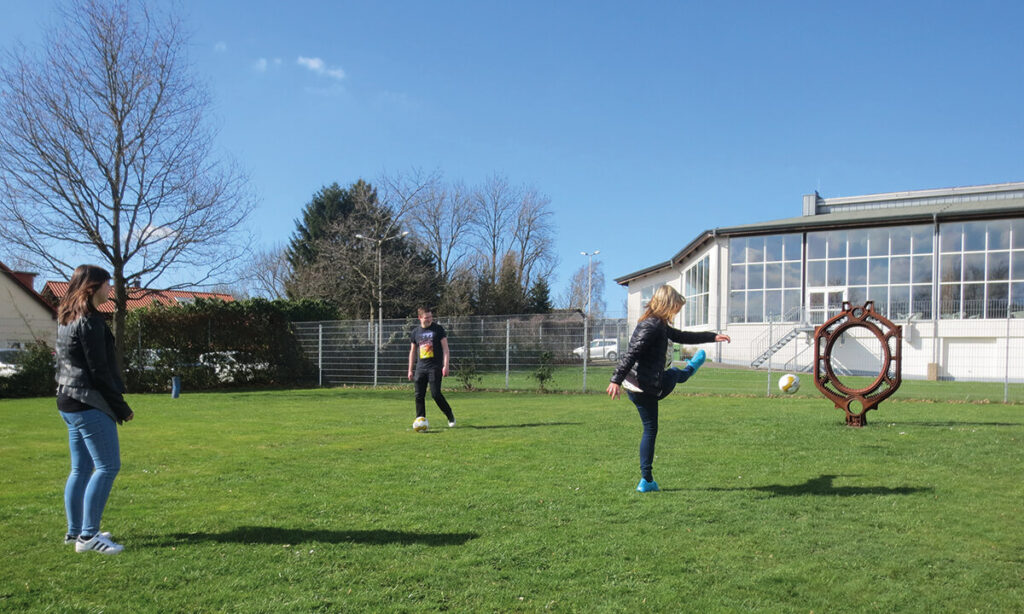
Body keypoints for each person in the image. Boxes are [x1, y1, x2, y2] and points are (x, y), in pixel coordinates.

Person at [607, 285, 731, 493]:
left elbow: (682, 336)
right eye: (675, 308)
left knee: (650, 429)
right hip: (645, 386)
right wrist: (615, 380)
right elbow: (632, 353)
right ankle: (691, 368)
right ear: (667, 305)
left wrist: (712, 337)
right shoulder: (652, 325)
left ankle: (646, 481)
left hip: (637, 386)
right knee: (675, 374)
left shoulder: (659, 324)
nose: (676, 312)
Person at [54, 265, 134, 554]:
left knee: (81, 469)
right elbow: (99, 372)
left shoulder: (66, 317)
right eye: (106, 284)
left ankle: (75, 531)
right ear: (93, 287)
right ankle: (88, 537)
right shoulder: (90, 322)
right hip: (88, 403)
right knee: (108, 466)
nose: (109, 289)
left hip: (68, 401)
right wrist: (121, 407)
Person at [407, 307, 456, 427]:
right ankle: (420, 420)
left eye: (430, 317)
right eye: (426, 317)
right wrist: (410, 369)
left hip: (434, 367)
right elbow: (412, 352)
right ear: (420, 318)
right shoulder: (415, 332)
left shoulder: (438, 330)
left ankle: (449, 415)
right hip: (420, 368)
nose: (429, 319)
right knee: (419, 395)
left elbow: (445, 349)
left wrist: (446, 366)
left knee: (436, 394)